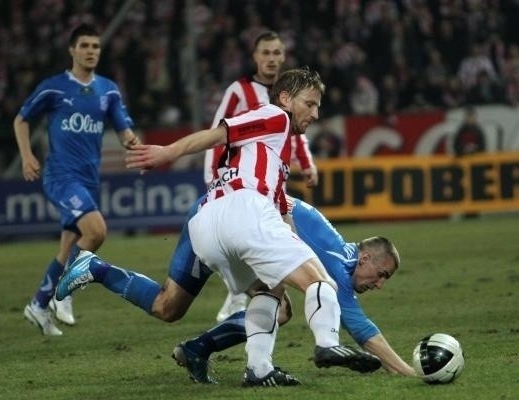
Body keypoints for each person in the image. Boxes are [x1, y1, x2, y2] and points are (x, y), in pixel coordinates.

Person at [58, 68, 381, 387]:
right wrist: (166, 153)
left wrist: (293, 252)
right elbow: (219, 133)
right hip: (243, 211)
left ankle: (258, 368)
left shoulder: (273, 161)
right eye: (309, 104)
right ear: (285, 98)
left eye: (317, 106)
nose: (315, 113)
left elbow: (283, 217)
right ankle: (326, 343)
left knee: (256, 292)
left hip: (208, 224)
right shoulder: (275, 116)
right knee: (320, 282)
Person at [56, 194, 413, 384]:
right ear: (365, 257)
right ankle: (251, 367)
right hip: (227, 223)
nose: (379, 285)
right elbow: (361, 330)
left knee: (168, 307)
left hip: (224, 224)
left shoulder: (341, 252)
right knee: (280, 304)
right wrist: (406, 372)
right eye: (380, 274)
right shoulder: (337, 264)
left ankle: (99, 270)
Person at [14, 24, 140, 336]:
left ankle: (39, 304)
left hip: (88, 179)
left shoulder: (108, 90)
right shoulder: (54, 87)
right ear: (72, 50)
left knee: (69, 245)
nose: (91, 51)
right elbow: (21, 119)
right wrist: (27, 156)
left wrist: (136, 146)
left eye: (95, 46)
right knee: (96, 231)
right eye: (84, 45)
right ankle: (64, 294)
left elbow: (124, 131)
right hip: (61, 176)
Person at [203, 31, 319, 323]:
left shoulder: (293, 93)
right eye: (265, 53)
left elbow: (295, 135)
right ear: (255, 57)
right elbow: (219, 132)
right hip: (237, 184)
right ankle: (241, 295)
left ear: (283, 56)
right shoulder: (239, 91)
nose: (271, 59)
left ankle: (252, 300)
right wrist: (213, 175)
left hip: (272, 180)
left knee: (271, 240)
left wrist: (307, 163)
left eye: (276, 53)